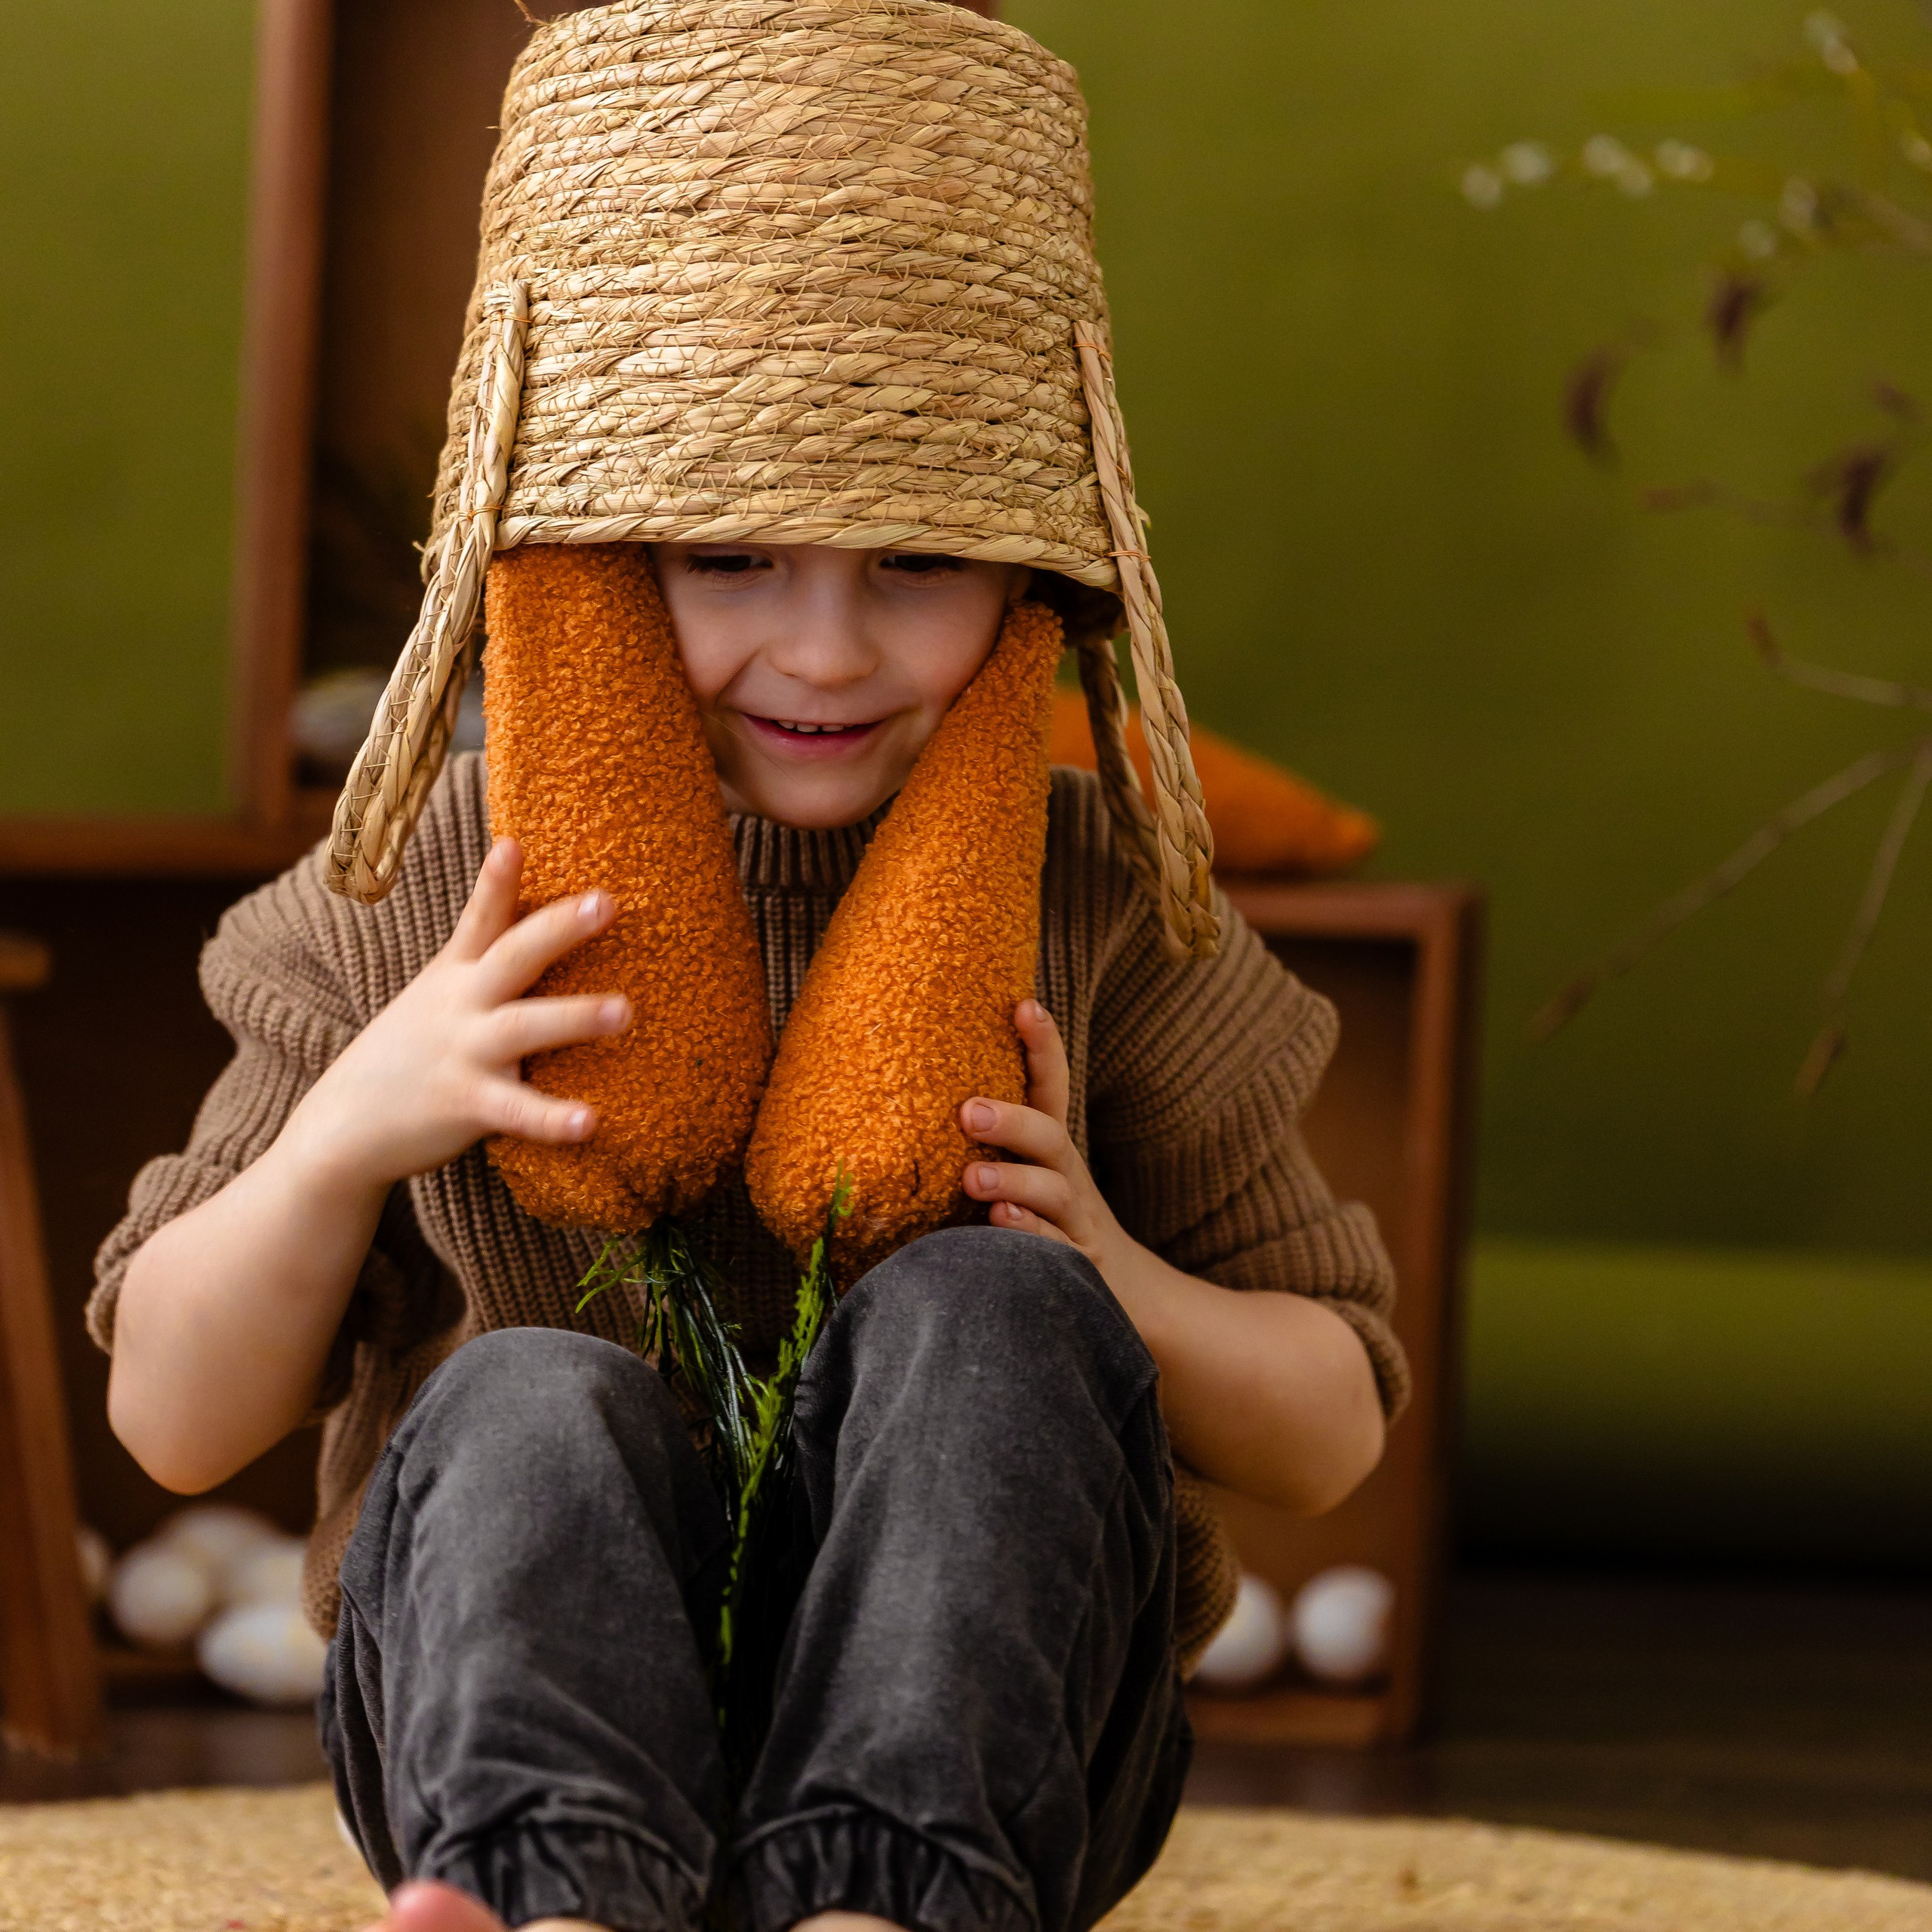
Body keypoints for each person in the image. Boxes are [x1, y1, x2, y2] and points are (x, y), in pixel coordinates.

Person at [89, 8, 1407, 1932]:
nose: (823, 650)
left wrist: (1106, 1273)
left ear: (1033, 583)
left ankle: (878, 1904)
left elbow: (1330, 1418)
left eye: (908, 566)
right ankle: (551, 1901)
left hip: (990, 1782)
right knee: (524, 1391)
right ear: (593, 564)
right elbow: (176, 1417)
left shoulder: (1088, 890)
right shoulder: (437, 889)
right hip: (495, 1736)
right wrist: (351, 1131)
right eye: (726, 560)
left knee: (989, 1316)